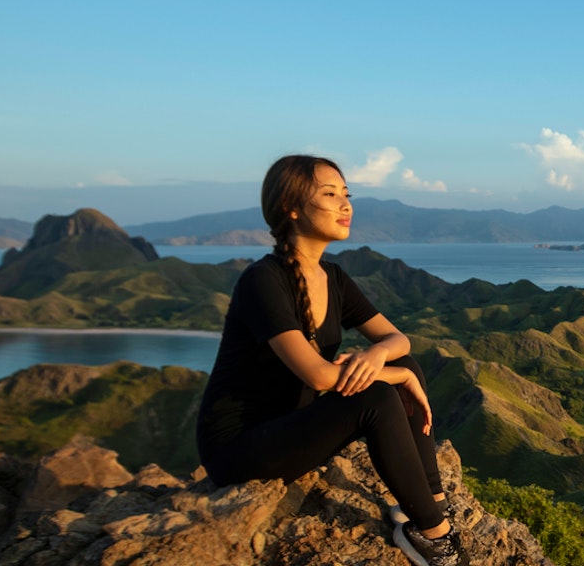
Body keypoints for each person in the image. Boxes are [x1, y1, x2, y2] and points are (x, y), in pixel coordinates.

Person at [196, 155, 466, 566]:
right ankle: (434, 535)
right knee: (378, 392)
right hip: (239, 448)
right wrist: (389, 372)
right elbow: (319, 376)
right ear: (291, 207)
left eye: (346, 194)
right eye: (330, 194)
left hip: (295, 425)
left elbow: (399, 340)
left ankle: (431, 499)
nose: (345, 205)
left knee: (406, 369)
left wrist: (377, 354)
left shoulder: (334, 277)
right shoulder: (263, 280)